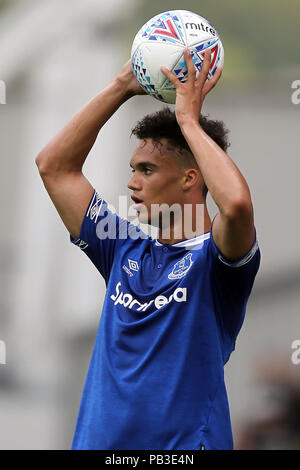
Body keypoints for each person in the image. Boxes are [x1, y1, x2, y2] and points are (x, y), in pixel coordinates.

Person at [35, 49, 260, 450]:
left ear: (191, 177)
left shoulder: (216, 261)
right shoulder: (120, 246)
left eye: (147, 170)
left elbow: (237, 205)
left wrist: (188, 121)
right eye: (133, 170)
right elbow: (54, 166)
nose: (133, 184)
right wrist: (121, 87)